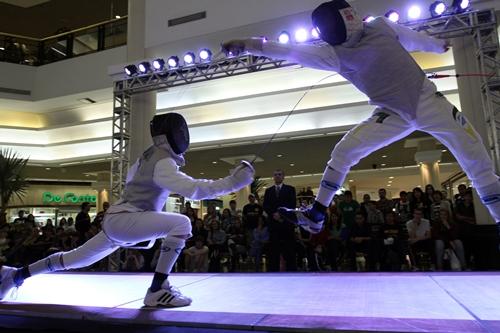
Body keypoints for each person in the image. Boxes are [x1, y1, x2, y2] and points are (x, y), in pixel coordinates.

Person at [222, 0, 500, 234]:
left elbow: (413, 39)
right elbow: (289, 51)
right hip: (390, 114)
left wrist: (437, 45)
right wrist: (247, 44)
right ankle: (317, 214)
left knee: (478, 162)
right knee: (344, 151)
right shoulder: (334, 53)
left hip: (429, 102)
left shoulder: (381, 26)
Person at [0, 113, 254, 307]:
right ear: (171, 137)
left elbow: (142, 189)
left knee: (74, 259)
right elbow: (194, 191)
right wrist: (233, 183)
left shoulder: (147, 157)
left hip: (119, 222)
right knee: (183, 223)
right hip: (124, 221)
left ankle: (15, 275)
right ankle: (157, 289)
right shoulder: (162, 162)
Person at [262, 169, 297, 271]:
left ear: (283, 177)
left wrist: (281, 214)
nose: (277, 176)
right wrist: (274, 214)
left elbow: (292, 205)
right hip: (273, 224)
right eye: (275, 175)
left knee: (289, 249)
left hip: (286, 223)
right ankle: (273, 272)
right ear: (273, 177)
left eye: (279, 174)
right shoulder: (268, 191)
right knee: (274, 250)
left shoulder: (290, 189)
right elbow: (266, 206)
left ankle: (292, 271)